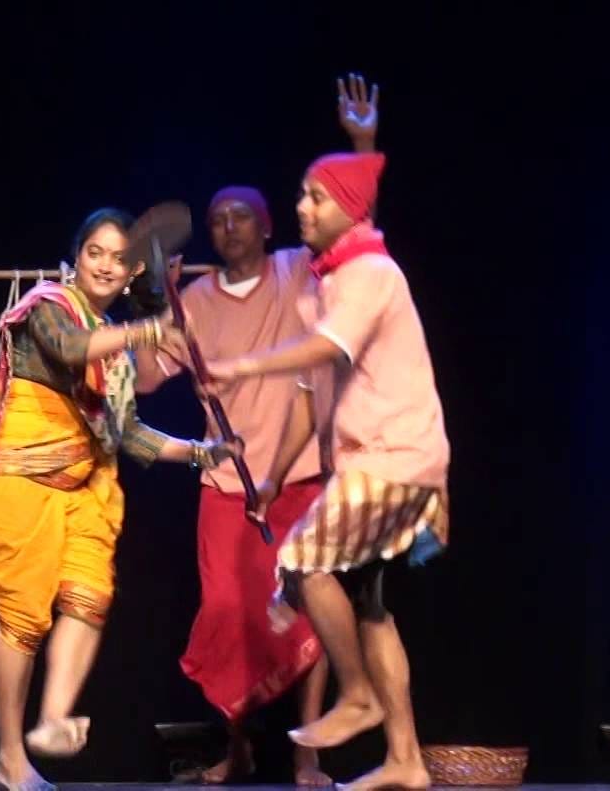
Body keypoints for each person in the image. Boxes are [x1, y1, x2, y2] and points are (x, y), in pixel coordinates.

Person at [0, 208, 236, 791]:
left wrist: (203, 452)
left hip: (78, 489)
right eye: (95, 252)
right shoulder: (46, 306)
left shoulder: (114, 353)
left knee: (90, 596)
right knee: (22, 622)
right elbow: (70, 348)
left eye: (119, 258)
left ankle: (52, 719)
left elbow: (129, 435)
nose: (105, 265)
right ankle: (10, 757)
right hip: (19, 483)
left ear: (131, 272)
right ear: (76, 258)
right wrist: (149, 330)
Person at [136, 75, 380, 784]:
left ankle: (307, 752)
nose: (227, 227)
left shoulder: (299, 271)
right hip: (228, 487)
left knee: (311, 613)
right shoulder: (194, 300)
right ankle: (237, 746)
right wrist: (151, 304)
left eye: (240, 216)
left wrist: (362, 139)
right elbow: (146, 377)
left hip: (299, 478)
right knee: (229, 613)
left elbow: (359, 230)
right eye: (218, 219)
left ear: (268, 225)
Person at [206, 149, 450, 791]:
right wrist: (274, 478)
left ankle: (359, 694)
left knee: (304, 561)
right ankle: (406, 759)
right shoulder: (328, 283)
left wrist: (243, 365)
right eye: (302, 195)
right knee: (371, 606)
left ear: (350, 208)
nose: (302, 208)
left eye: (316, 197)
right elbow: (309, 394)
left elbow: (325, 348)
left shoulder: (371, 272)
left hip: (394, 454)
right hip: (371, 459)